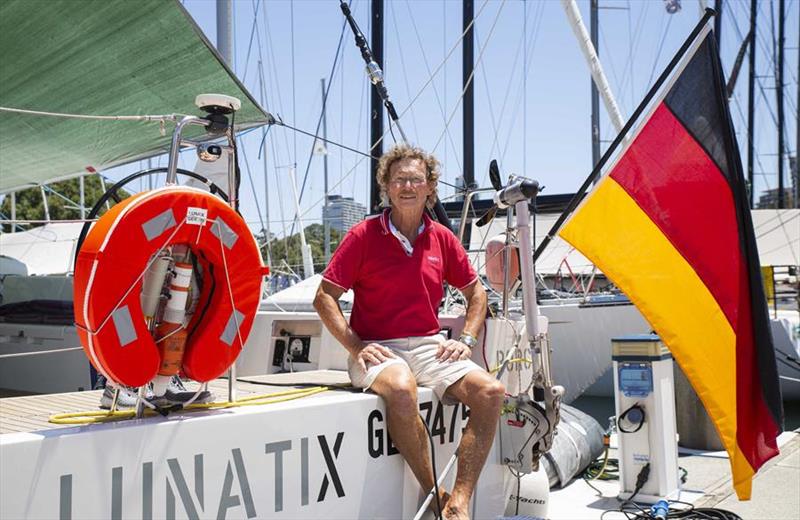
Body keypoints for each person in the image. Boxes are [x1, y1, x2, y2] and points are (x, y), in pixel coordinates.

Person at [313, 144, 504, 520]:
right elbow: (324, 297)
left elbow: (476, 293)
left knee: (491, 392)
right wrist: (356, 346)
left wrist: (466, 339)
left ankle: (459, 503)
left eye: (416, 179)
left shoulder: (442, 239)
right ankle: (435, 493)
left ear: (430, 188)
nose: (407, 186)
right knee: (401, 388)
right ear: (385, 185)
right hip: (378, 349)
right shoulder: (364, 235)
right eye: (399, 179)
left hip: (430, 345)